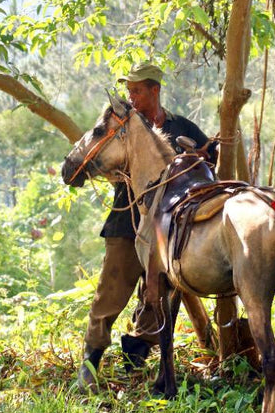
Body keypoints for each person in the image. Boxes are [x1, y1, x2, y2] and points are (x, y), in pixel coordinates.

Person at [77, 61, 216, 390]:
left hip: (168, 227)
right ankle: (89, 367)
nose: (132, 96)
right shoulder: (121, 127)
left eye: (137, 90)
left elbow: (209, 162)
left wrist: (198, 157)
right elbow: (100, 160)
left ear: (155, 90)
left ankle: (135, 360)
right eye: (129, 91)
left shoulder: (183, 126)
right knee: (109, 295)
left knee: (159, 299)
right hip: (127, 224)